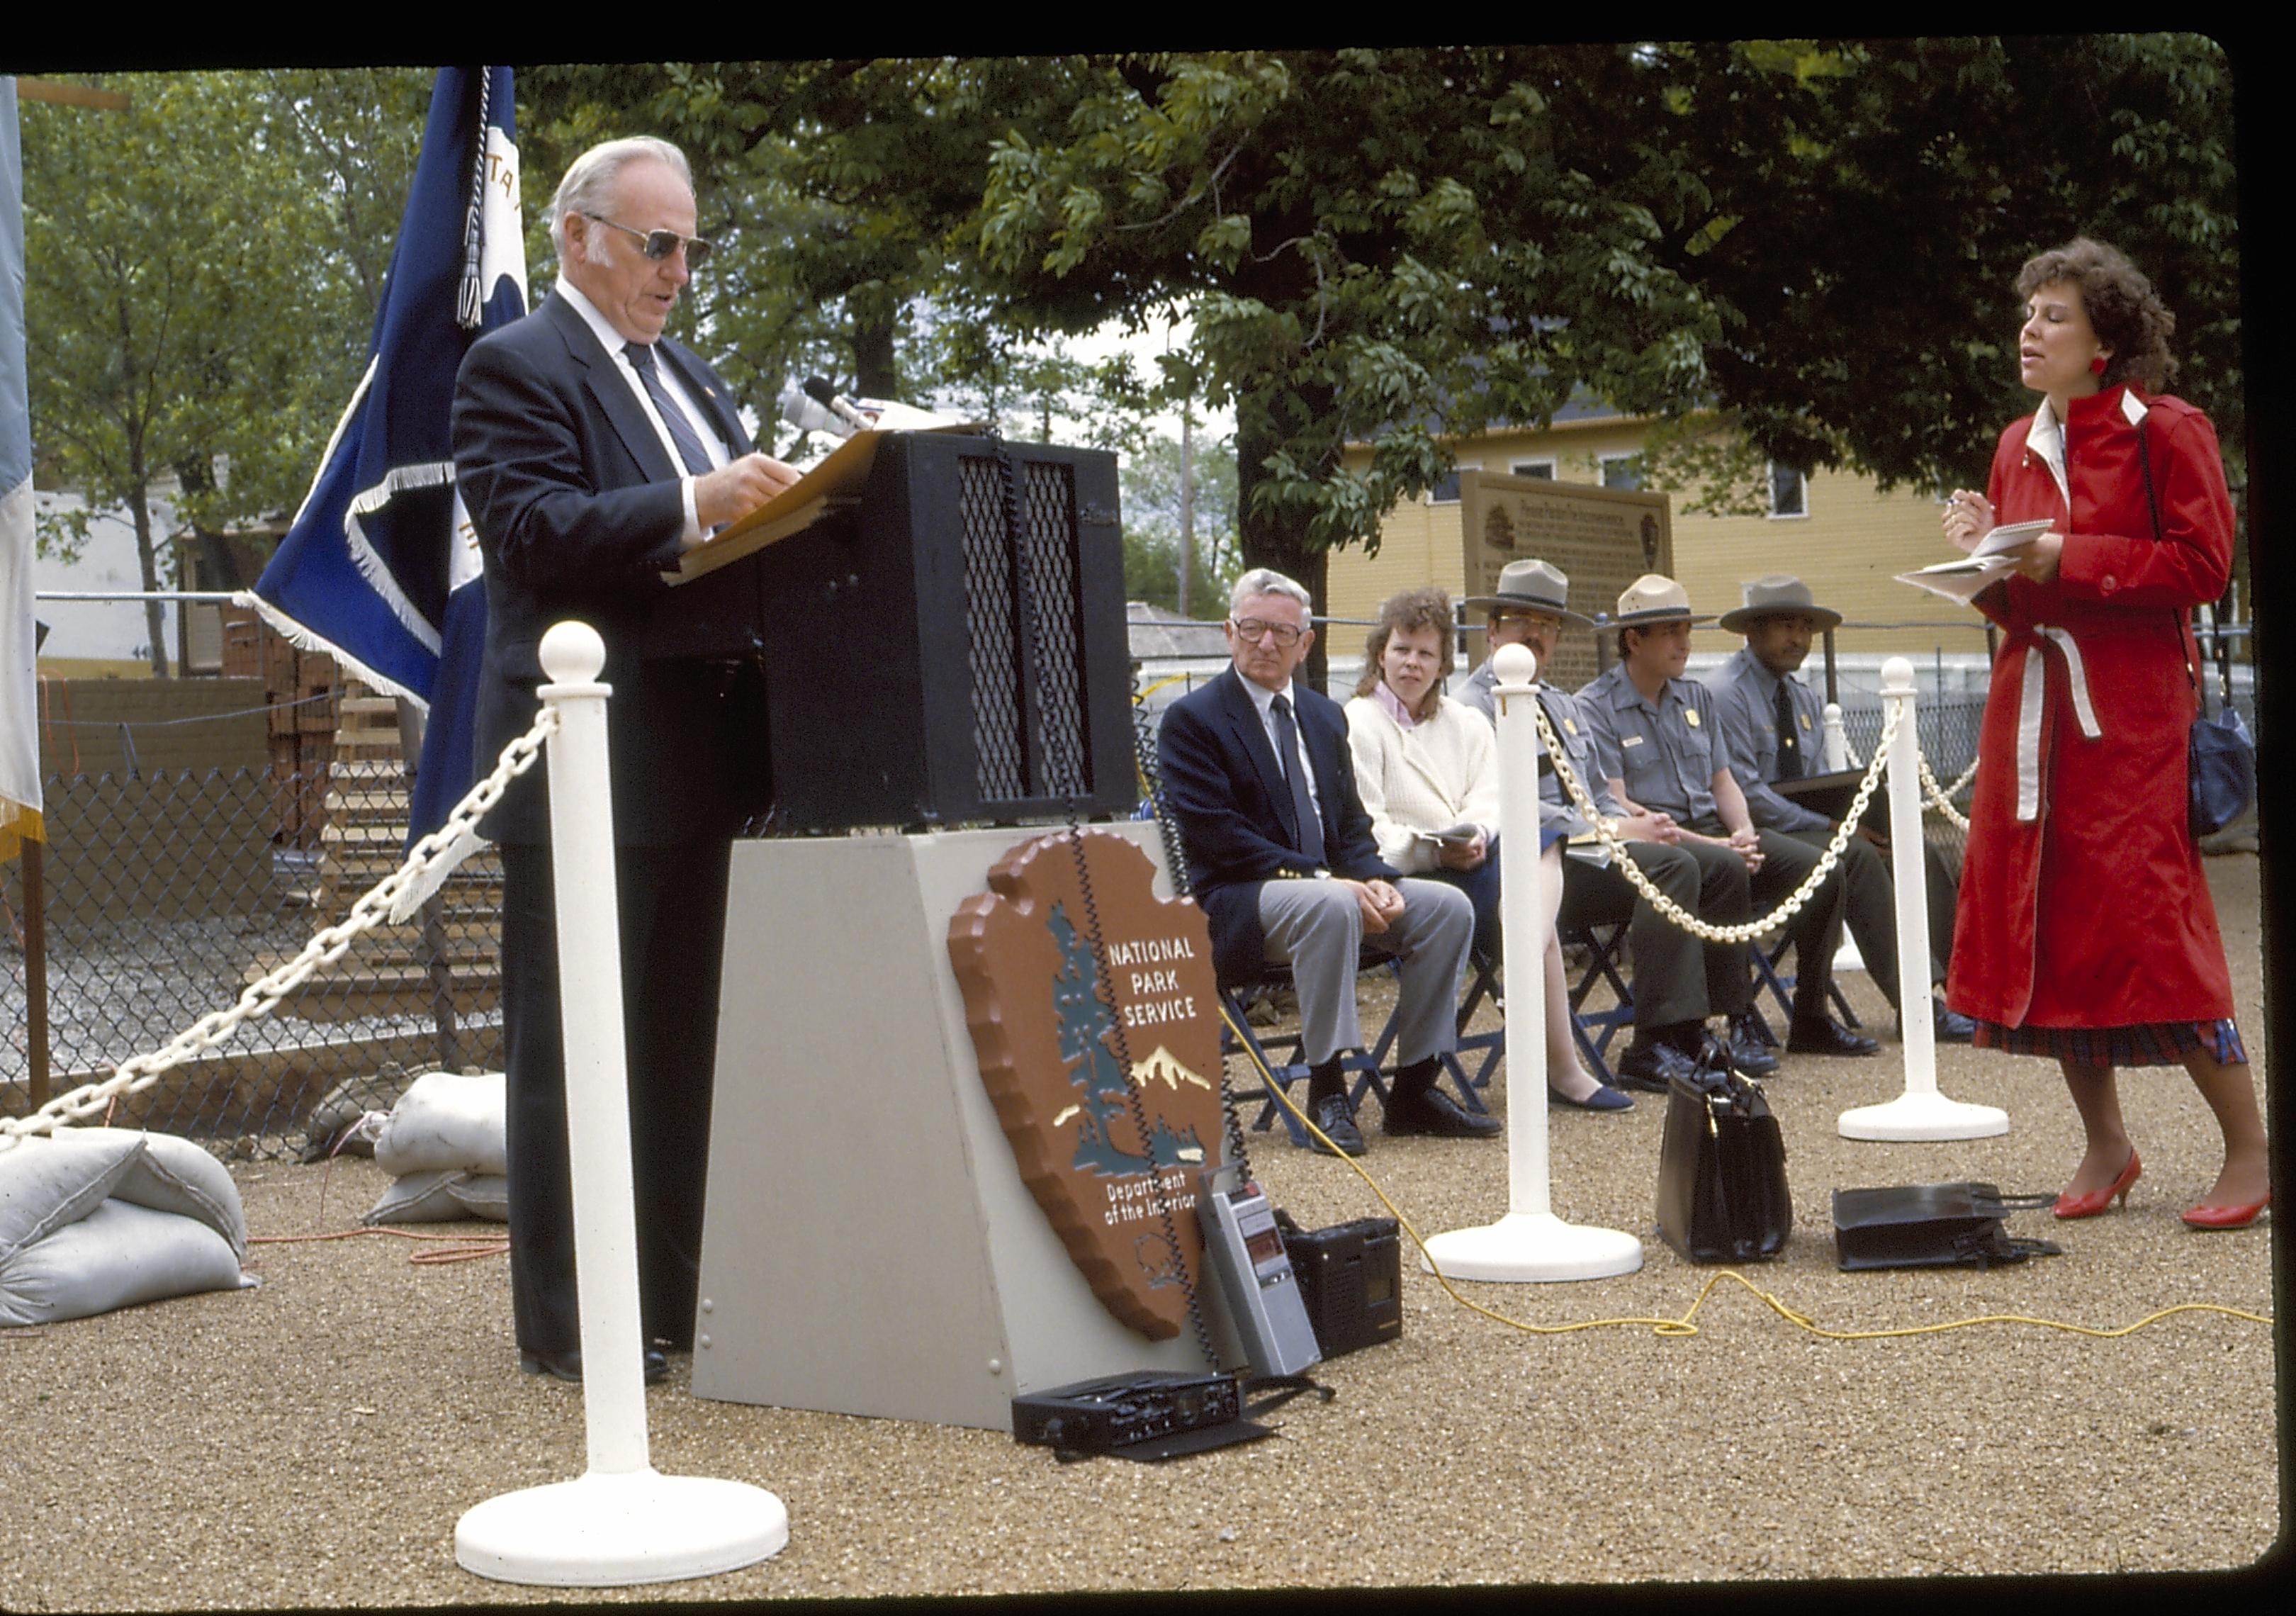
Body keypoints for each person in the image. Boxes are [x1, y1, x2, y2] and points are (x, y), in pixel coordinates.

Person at [452, 136, 802, 1381]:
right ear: (577, 236)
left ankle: (677, 1300)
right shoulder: (516, 365)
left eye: (690, 249)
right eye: (657, 244)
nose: (677, 271)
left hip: (703, 758)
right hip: (588, 759)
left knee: (682, 1048)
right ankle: (572, 1326)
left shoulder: (689, 376)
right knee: (575, 1058)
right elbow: (533, 532)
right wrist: (699, 503)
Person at [1941, 237, 2266, 1230]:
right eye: (2027, 314)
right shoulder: (2013, 443)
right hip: (2027, 711)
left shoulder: (2169, 430)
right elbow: (2024, 607)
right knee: (2048, 917)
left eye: (2054, 316)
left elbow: (2204, 566)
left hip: (2125, 719)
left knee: (2149, 916)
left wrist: (2059, 554)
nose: (2029, 331)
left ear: (2106, 341)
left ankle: (2253, 1150)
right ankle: (2107, 1143)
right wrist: (1982, 567)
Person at [1157, 568, 1488, 1156]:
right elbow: (1220, 839)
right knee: (1333, 903)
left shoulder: (1323, 715)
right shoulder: (1194, 720)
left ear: (1305, 643)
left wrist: (1380, 880)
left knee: (1446, 907)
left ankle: (1414, 1090)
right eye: (1254, 628)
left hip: (1329, 895)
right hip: (1240, 903)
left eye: (1283, 632)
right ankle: (1328, 1089)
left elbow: (1351, 828)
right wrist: (1328, 880)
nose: (1267, 644)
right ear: (1229, 632)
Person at [1460, 559, 1771, 1092]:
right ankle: (1653, 1042)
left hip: (1591, 849)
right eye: (1521, 620)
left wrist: (1636, 819)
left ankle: (1704, 1027)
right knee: (1672, 866)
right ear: (1492, 631)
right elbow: (1501, 805)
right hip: (1536, 867)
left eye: (1549, 624)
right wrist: (1615, 831)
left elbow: (1597, 792)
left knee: (1716, 864)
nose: (1536, 634)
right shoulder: (1471, 708)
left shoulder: (1560, 704)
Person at [1344, 585, 1630, 1111]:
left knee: (1540, 846)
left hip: (1473, 859)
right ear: (1381, 651)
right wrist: (1434, 852)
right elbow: (1367, 827)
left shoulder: (1465, 722)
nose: (1412, 663)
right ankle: (1563, 1069)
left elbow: (1493, 799)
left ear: (1443, 662)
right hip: (1414, 872)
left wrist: (1477, 833)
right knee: (1528, 910)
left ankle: (1529, 957)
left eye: (1426, 653)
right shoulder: (1358, 723)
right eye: (1402, 649)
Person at [1576, 574, 1879, 1065]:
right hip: (1659, 840)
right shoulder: (1597, 706)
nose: (1684, 643)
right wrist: (1724, 847)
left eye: (1686, 629)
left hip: (1715, 835)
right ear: (1634, 640)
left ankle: (1811, 1016)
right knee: (1722, 867)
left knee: (1823, 867)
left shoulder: (1694, 698)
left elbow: (1723, 782)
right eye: (1671, 631)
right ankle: (1733, 1019)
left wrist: (1741, 831)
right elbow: (1619, 804)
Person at [1705, 574, 1976, 1044]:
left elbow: (1817, 784)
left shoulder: (1803, 697)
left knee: (1916, 851)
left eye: (1806, 628)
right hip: (1753, 833)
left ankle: (1958, 990)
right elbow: (1748, 794)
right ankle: (1914, 1004)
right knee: (1857, 857)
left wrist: (1860, 813)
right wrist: (1834, 826)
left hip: (1808, 828)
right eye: (1786, 626)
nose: (1799, 639)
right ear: (1752, 632)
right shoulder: (1725, 693)